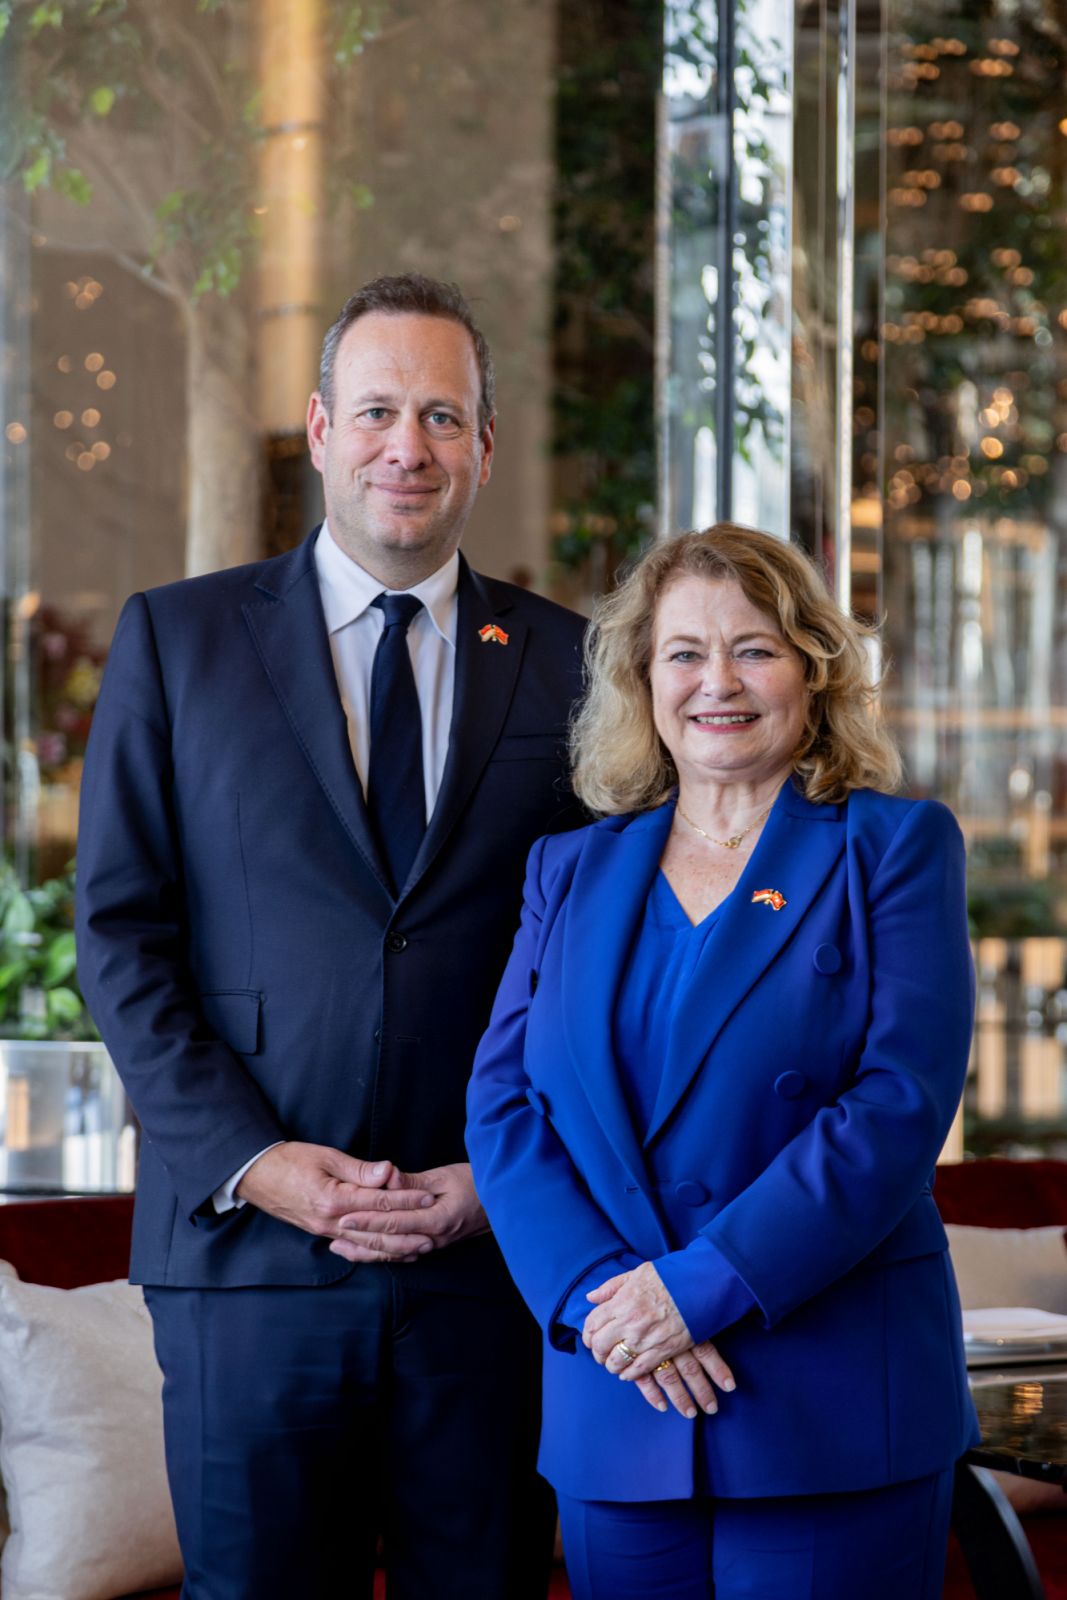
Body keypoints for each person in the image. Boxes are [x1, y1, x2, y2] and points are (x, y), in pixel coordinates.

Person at [75, 273, 585, 1600]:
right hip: (250, 1264)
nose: (403, 446)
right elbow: (120, 937)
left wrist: (500, 1179)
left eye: (437, 415)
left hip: (488, 1266)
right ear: (315, 428)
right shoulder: (176, 641)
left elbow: (606, 965)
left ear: (482, 446)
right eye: (373, 411)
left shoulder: (575, 665)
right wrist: (256, 1162)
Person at [466, 524, 979, 1600]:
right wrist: (608, 1300)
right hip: (621, 1387)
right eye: (683, 653)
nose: (717, 682)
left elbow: (895, 1105)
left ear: (811, 668)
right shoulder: (569, 868)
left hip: (826, 1394)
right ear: (642, 681)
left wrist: (698, 1289)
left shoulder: (889, 846)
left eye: (753, 648)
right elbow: (503, 1104)